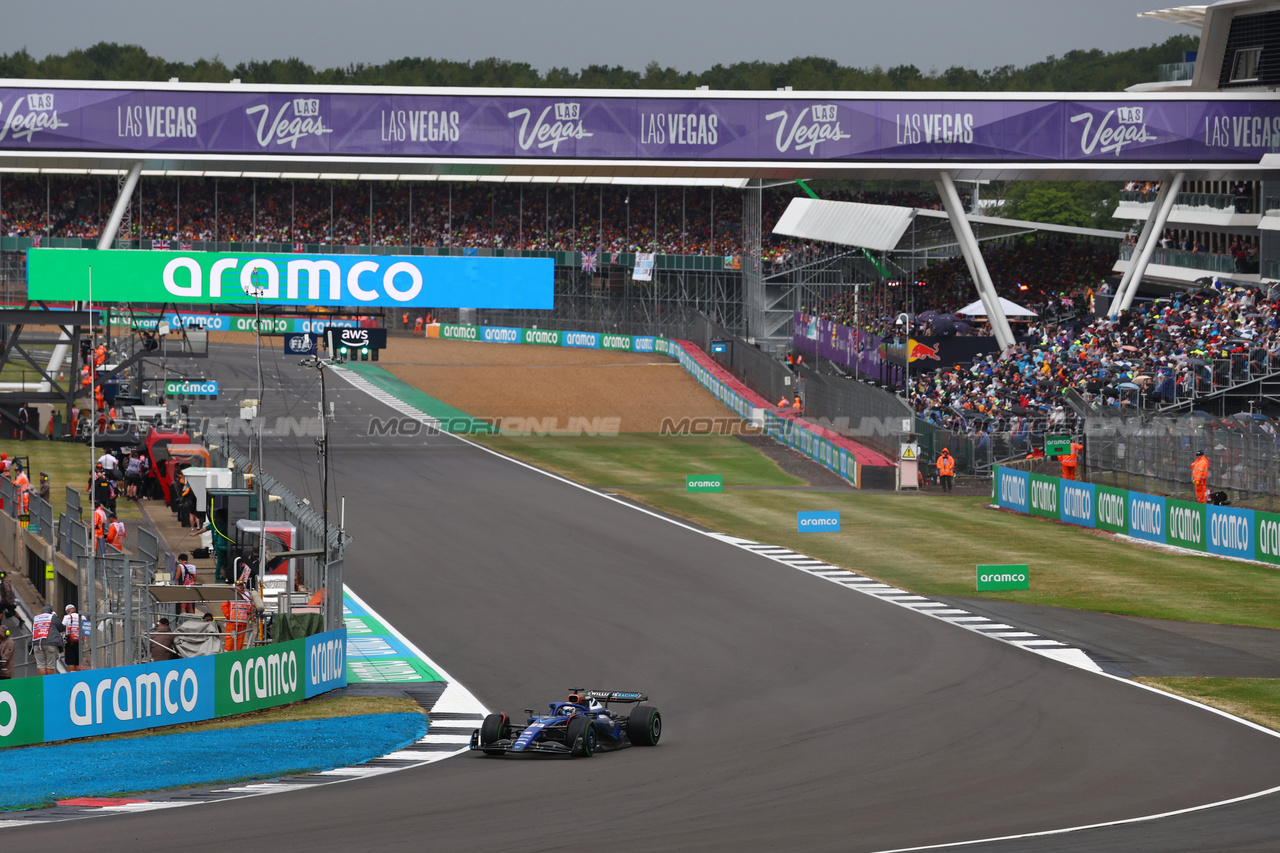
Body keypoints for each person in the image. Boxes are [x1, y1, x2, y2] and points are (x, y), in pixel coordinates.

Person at [31, 604, 64, 676]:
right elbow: (61, 628)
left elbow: (33, 630)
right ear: (50, 611)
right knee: (50, 665)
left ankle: (43, 683)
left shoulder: (36, 618)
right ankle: (50, 683)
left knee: (40, 665)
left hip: (37, 643)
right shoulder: (52, 617)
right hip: (51, 643)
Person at [221, 584, 254, 651]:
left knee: (240, 640)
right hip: (232, 622)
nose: (239, 587)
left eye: (240, 585)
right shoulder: (231, 594)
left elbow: (251, 608)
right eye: (238, 585)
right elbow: (224, 606)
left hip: (243, 622)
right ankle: (227, 654)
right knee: (230, 639)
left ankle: (238, 654)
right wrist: (228, 617)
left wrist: (251, 619)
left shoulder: (247, 595)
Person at [62, 604, 83, 671]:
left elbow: (62, 627)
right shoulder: (82, 617)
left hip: (70, 642)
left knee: (70, 661)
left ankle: (72, 677)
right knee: (77, 661)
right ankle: (78, 678)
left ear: (67, 611)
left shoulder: (67, 617)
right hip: (79, 642)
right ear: (75, 610)